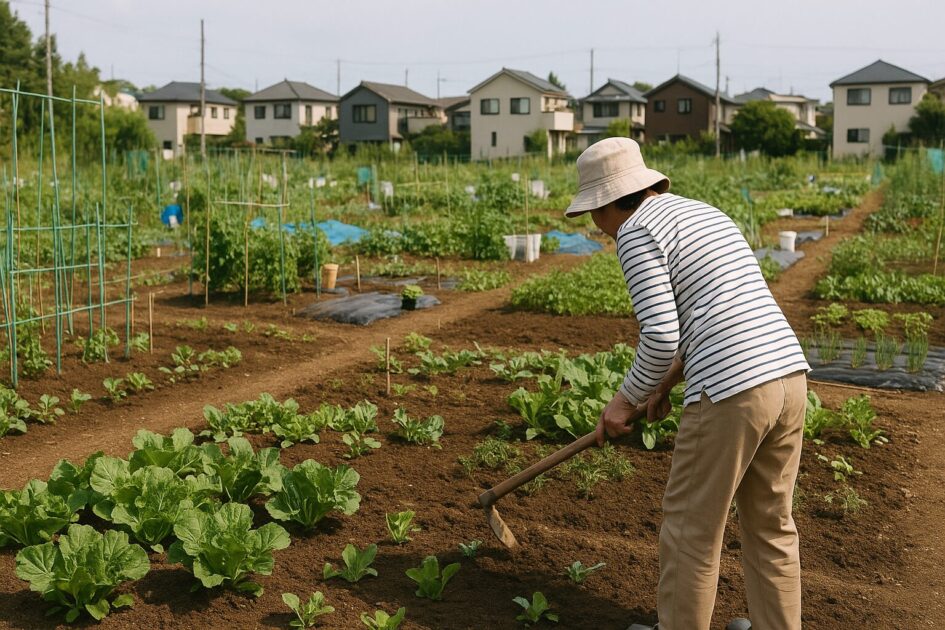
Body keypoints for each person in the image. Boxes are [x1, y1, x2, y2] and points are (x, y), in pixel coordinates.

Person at [565, 138, 809, 630]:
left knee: (690, 532)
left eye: (593, 210)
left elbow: (659, 333)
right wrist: (664, 385)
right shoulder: (704, 214)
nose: (596, 224)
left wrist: (623, 400)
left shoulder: (635, 232)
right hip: (786, 376)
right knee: (772, 527)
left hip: (731, 392)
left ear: (608, 203)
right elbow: (714, 309)